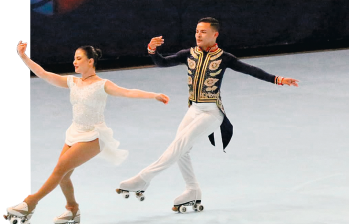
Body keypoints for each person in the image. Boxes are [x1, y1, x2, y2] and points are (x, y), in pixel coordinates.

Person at [116, 17, 299, 212]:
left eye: (203, 32)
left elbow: (251, 70)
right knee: (181, 150)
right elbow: (161, 63)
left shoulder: (224, 57)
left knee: (178, 145)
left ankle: (143, 179)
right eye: (197, 31)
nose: (198, 35)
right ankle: (192, 190)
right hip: (193, 110)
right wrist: (152, 50)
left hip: (211, 113)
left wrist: (278, 79)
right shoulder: (188, 54)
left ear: (215, 34)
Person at [4, 41, 170, 223]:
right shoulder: (72, 82)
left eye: (78, 58)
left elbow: (128, 92)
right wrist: (23, 56)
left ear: (90, 61)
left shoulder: (102, 84)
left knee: (59, 169)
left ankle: (30, 203)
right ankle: (72, 210)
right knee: (64, 177)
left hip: (94, 136)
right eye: (74, 59)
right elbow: (43, 74)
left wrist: (153, 95)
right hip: (74, 133)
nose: (74, 62)